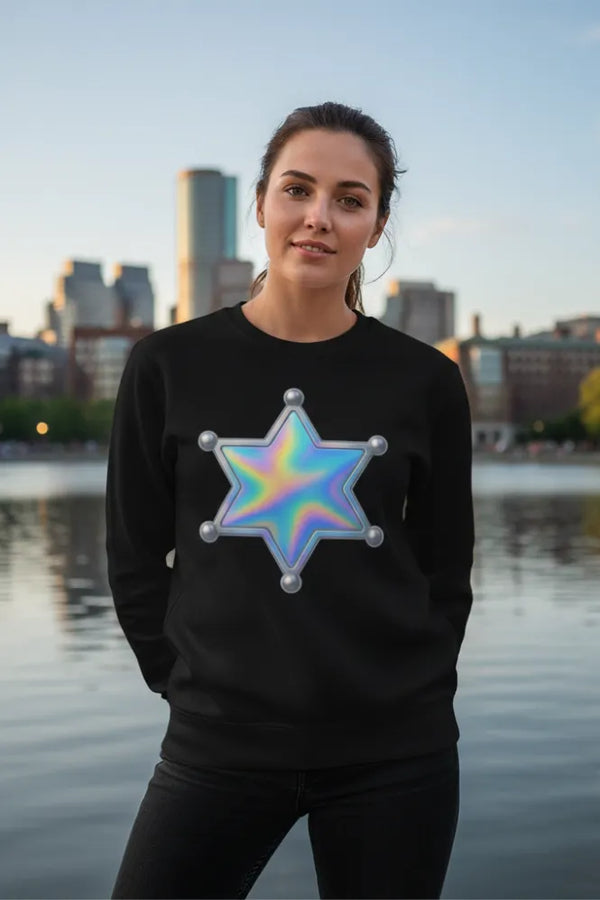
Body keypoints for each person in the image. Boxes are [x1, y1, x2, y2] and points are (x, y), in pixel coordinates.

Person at [105, 100, 475, 900]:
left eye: (350, 199)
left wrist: (412, 684)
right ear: (262, 204)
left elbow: (447, 569)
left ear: (376, 227)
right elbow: (133, 556)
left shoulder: (427, 381)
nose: (319, 218)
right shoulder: (166, 365)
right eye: (298, 190)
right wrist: (187, 683)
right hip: (217, 746)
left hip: (396, 754)